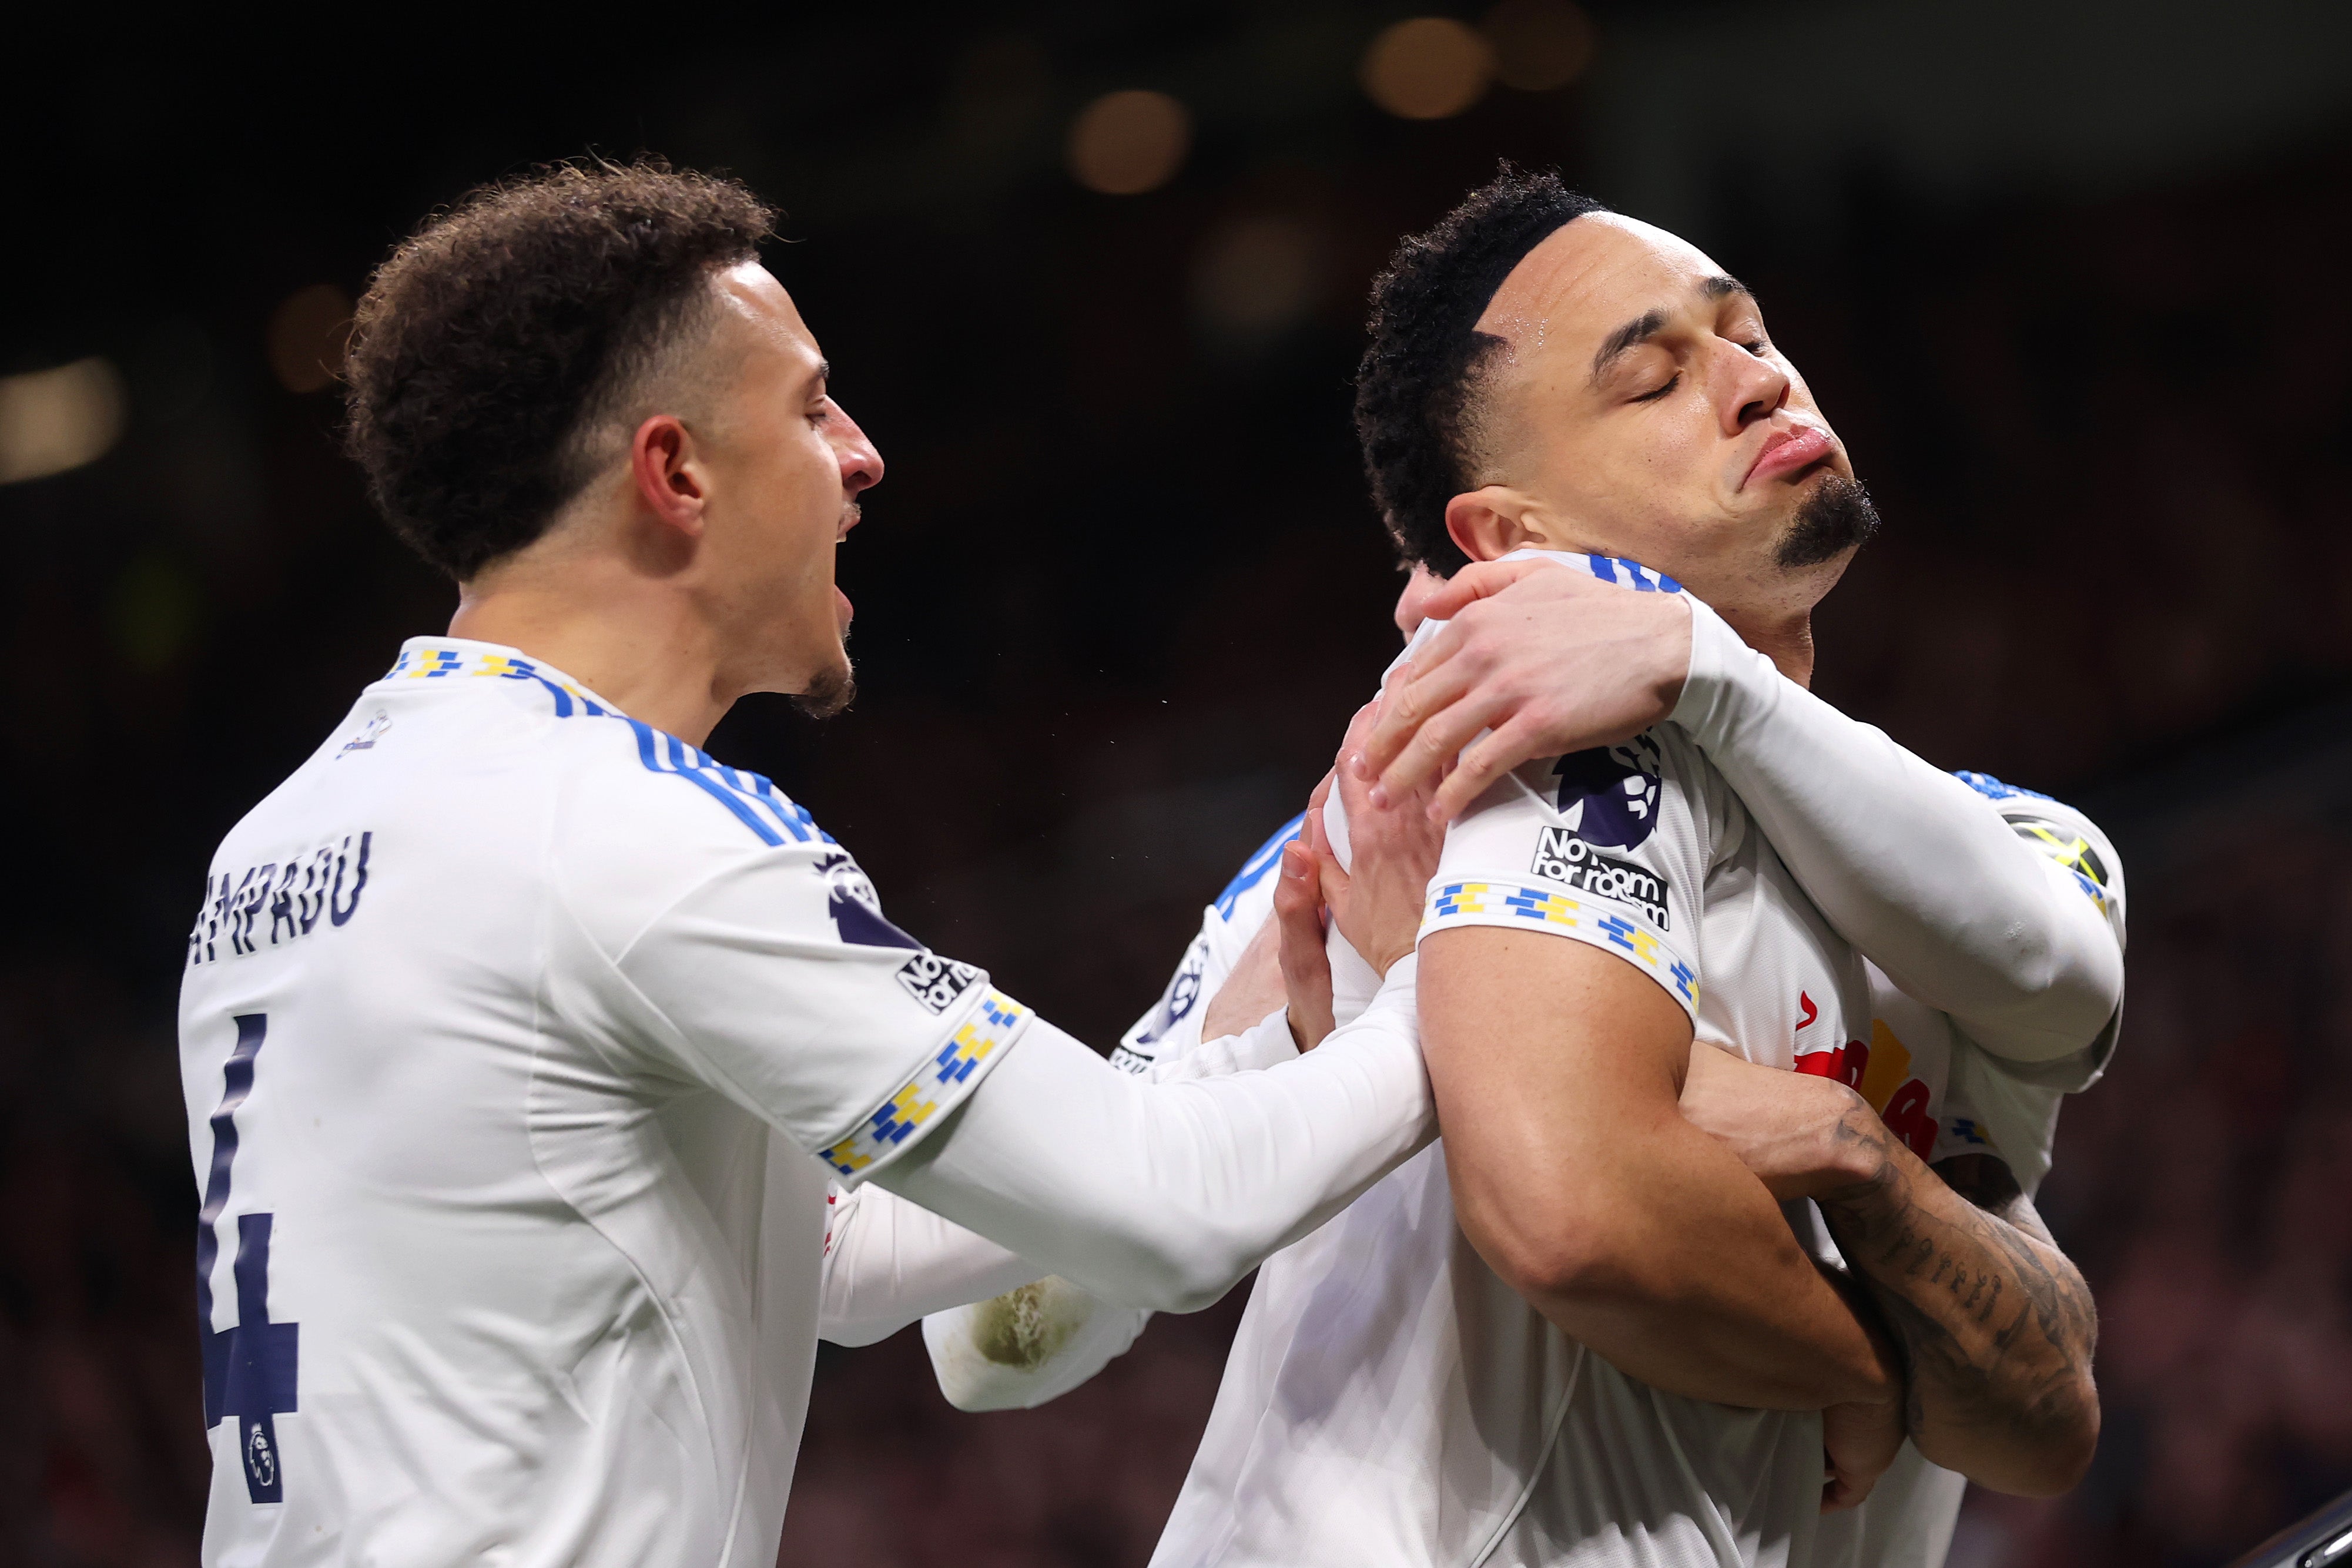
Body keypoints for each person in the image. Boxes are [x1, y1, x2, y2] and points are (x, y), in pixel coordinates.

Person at [173, 159, 1448, 1566]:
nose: (861, 453)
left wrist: (1256, 1055)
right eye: (809, 405)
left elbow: (819, 1253)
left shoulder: (283, 840)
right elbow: (1172, 1214)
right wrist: (1450, 977)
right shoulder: (625, 828)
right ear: (675, 471)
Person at [922, 171, 2123, 1568]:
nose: (1755, 381)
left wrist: (1698, 663)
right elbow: (989, 1337)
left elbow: (2060, 1031)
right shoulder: (1376, 838)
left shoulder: (2012, 843)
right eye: (1653, 378)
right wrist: (1355, 1026)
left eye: (1748, 332)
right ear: (1507, 541)